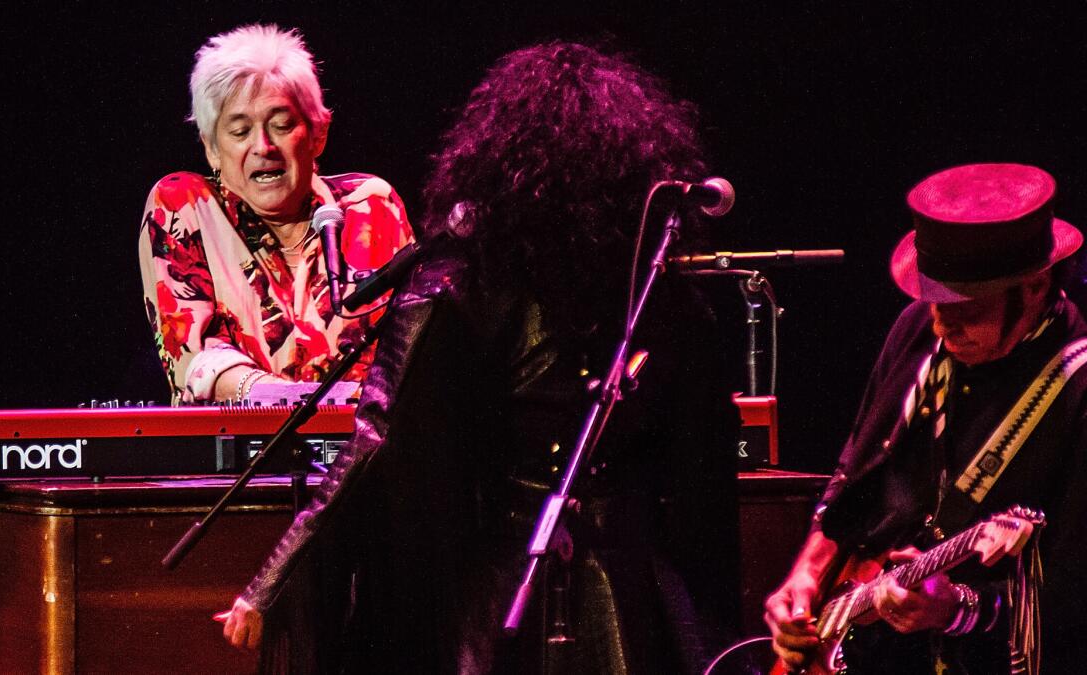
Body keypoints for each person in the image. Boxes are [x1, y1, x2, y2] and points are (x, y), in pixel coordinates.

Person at [221, 42, 743, 673]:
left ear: (499, 159)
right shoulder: (655, 285)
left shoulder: (465, 277)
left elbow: (381, 436)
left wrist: (272, 580)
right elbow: (704, 472)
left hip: (504, 595)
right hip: (637, 601)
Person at [764, 163, 1087, 673]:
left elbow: (1073, 592)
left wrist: (957, 610)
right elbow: (857, 469)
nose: (940, 320)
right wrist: (807, 575)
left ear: (1034, 286)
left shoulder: (1076, 388)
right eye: (934, 298)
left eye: (964, 306)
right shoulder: (918, 329)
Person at [138, 24, 413, 405]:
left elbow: (414, 344)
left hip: (367, 452)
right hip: (236, 460)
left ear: (318, 134)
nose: (263, 146)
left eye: (281, 125)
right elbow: (195, 361)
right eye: (239, 131)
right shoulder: (184, 205)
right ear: (211, 149)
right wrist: (288, 400)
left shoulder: (371, 206)